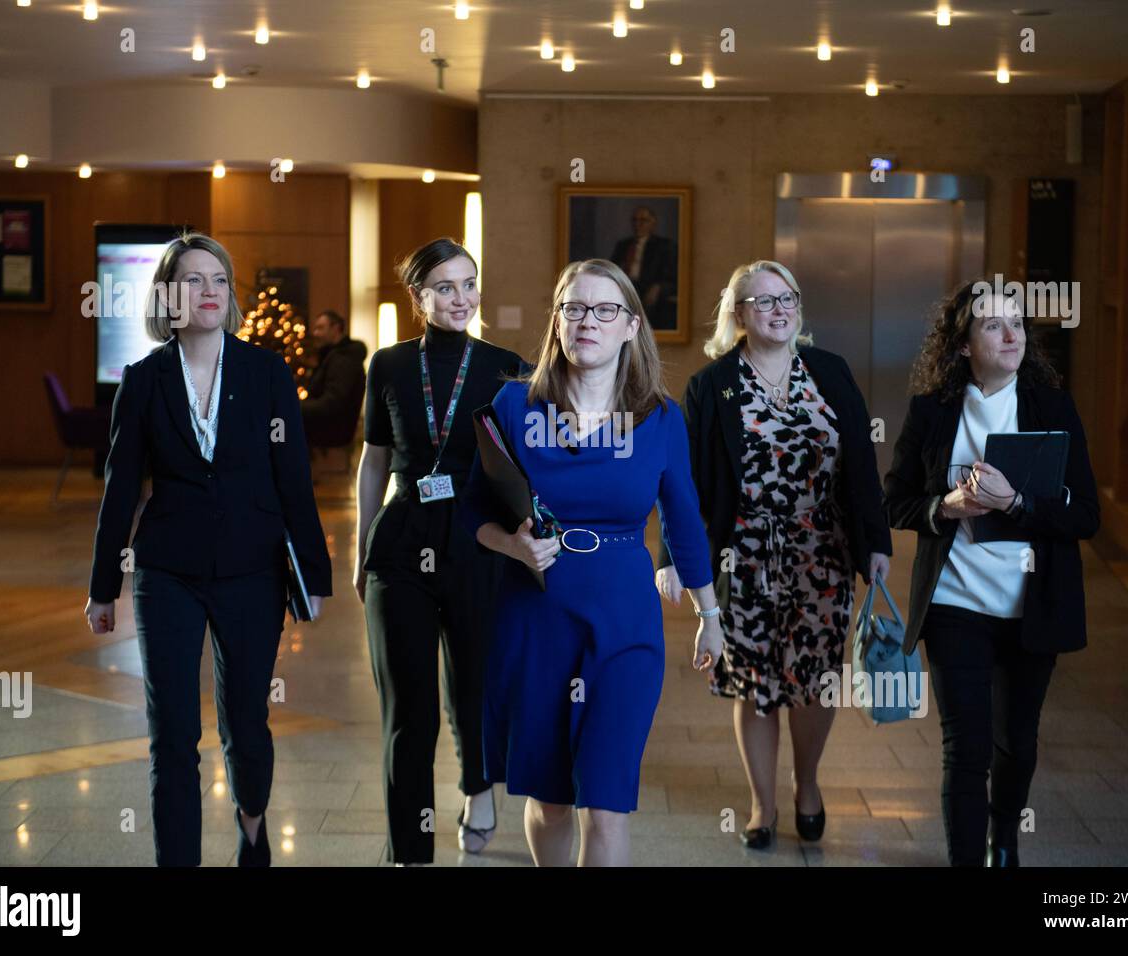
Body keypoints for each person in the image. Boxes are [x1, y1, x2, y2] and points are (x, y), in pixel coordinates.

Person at [461, 258, 723, 867]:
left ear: (631, 326)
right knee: (551, 800)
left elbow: (684, 521)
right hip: (535, 613)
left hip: (625, 620)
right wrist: (512, 545)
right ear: (556, 320)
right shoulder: (513, 405)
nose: (587, 322)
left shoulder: (660, 417)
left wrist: (711, 613)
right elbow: (472, 510)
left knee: (605, 803)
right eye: (573, 307)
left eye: (605, 310)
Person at [84, 230, 332, 867]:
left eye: (219, 279)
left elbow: (293, 480)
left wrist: (316, 577)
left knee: (246, 724)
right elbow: (120, 490)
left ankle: (253, 827)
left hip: (254, 572)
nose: (210, 290)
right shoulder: (142, 382)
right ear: (169, 295)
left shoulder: (267, 372)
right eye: (194, 280)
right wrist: (102, 588)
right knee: (172, 735)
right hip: (166, 571)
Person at [655, 260, 891, 848]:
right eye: (763, 302)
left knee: (814, 681)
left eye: (787, 298)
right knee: (754, 681)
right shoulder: (713, 386)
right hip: (745, 557)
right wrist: (674, 559)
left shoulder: (830, 373)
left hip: (825, 555)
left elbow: (862, 465)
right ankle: (761, 804)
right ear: (738, 314)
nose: (779, 309)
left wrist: (877, 543)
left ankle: (806, 784)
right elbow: (686, 484)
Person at [883, 278, 1099, 867]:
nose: (1011, 335)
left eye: (1017, 324)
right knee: (965, 750)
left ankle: (1003, 835)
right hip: (955, 601)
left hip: (1032, 606)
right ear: (961, 345)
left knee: (1017, 745)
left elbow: (1086, 515)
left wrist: (1016, 504)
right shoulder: (932, 411)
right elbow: (895, 500)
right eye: (992, 325)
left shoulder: (1053, 408)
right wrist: (945, 507)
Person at [354, 238, 523, 865]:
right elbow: (374, 462)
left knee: (473, 685)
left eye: (470, 284)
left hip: (481, 542)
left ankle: (478, 786)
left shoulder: (507, 367)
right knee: (408, 707)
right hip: (401, 543)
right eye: (446, 287)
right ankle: (410, 852)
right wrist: (361, 545)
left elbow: (521, 467)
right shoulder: (390, 365)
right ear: (420, 297)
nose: (462, 298)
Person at [300, 309, 368, 449]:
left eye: (321, 328)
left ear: (336, 328)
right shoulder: (336, 356)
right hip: (327, 438)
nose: (315, 333)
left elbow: (332, 404)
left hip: (329, 440)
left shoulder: (343, 359)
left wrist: (295, 406)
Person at [609, 206, 677, 331]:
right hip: (627, 287)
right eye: (635, 220)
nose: (638, 224)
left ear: (653, 224)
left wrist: (658, 287)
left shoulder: (665, 246)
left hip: (650, 289)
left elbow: (672, 276)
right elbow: (611, 270)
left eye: (643, 220)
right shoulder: (623, 245)